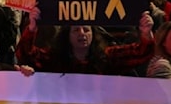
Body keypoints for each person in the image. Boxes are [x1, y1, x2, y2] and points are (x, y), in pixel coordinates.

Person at [17, 7, 155, 75]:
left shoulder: (107, 57)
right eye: (76, 30)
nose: (82, 33)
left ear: (93, 34)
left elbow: (140, 53)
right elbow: (25, 54)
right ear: (67, 35)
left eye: (86, 30)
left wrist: (146, 33)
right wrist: (32, 28)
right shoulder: (55, 58)